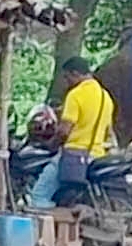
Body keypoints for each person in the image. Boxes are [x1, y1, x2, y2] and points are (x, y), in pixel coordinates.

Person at [29, 57, 115, 210]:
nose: (66, 81)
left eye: (67, 77)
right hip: (96, 155)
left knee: (38, 196)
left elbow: (64, 131)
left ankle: (48, 220)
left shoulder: (76, 95)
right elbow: (107, 130)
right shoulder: (105, 97)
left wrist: (51, 144)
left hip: (74, 154)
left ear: (75, 73)